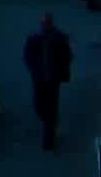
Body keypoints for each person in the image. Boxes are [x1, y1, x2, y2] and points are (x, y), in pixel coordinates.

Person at [23, 12, 74, 150]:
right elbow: (27, 55)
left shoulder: (59, 38)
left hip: (53, 79)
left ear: (51, 24)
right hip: (39, 78)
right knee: (39, 105)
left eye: (47, 23)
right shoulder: (34, 38)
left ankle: (48, 140)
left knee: (51, 107)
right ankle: (50, 122)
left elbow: (68, 55)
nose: (45, 26)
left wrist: (61, 69)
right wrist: (33, 69)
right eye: (43, 23)